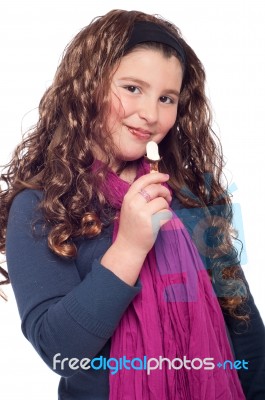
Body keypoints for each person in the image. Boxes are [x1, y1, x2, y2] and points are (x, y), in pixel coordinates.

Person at [0, 8, 264, 400]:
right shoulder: (41, 205)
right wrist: (130, 247)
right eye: (132, 88)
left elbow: (244, 330)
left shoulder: (191, 195)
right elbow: (60, 351)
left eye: (167, 98)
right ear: (86, 85)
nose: (151, 114)